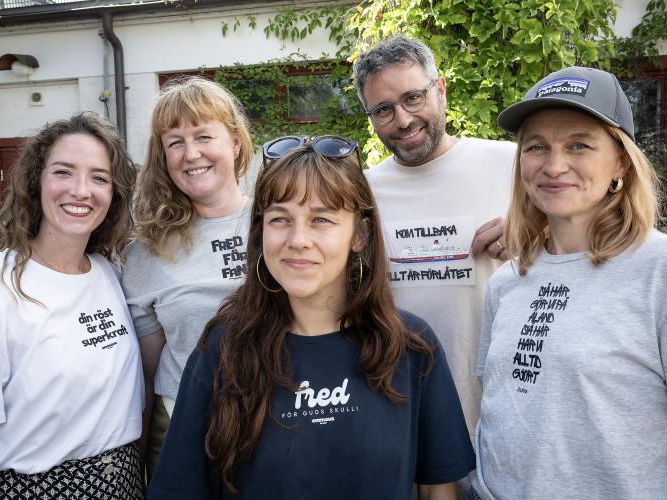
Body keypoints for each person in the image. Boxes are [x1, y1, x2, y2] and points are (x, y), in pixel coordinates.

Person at [148, 136, 475, 499]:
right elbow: (178, 489)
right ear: (261, 232)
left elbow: (438, 490)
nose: (298, 239)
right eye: (280, 219)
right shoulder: (223, 348)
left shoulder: (411, 345)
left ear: (360, 234)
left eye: (321, 219)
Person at [472, 66, 667, 499]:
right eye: (537, 146)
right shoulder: (508, 281)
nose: (553, 165)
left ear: (620, 161)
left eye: (579, 145)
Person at [0, 112, 144, 499]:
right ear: (36, 181)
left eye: (99, 177)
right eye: (63, 172)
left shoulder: (110, 275)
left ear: (113, 195)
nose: (81, 190)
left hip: (126, 486)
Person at [353, 34, 516, 435]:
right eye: (384, 109)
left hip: (503, 404)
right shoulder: (361, 193)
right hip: (401, 407)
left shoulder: (511, 165)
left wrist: (537, 233)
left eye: (413, 98)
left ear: (440, 89)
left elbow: (586, 249)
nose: (403, 119)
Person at [121, 76, 254, 478]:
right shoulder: (146, 252)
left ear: (234, 142)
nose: (190, 153)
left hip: (278, 418)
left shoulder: (280, 221)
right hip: (184, 425)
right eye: (174, 142)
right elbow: (147, 372)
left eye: (203, 136)